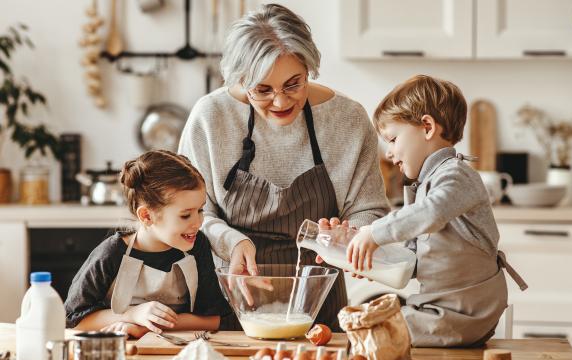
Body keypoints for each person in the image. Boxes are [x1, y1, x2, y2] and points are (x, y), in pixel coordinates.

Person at [178, 3, 388, 331]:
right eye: (262, 90)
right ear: (240, 80)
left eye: (293, 84)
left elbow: (370, 209)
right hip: (232, 296)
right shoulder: (211, 117)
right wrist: (233, 242)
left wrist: (349, 235)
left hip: (320, 303)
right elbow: (192, 214)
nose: (280, 101)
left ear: (309, 68)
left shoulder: (348, 119)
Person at [346, 75, 528, 347]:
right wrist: (372, 260)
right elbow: (413, 259)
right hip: (439, 307)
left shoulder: (456, 175)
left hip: (465, 311)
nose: (390, 153)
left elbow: (431, 212)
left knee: (373, 332)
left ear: (427, 126)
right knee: (369, 325)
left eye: (393, 139)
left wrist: (375, 232)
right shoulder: (423, 185)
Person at [64, 150, 231, 338]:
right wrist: (133, 315)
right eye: (185, 215)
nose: (198, 222)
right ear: (146, 216)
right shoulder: (110, 254)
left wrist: (146, 327)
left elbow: (216, 319)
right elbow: (74, 320)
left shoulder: (197, 245)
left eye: (200, 210)